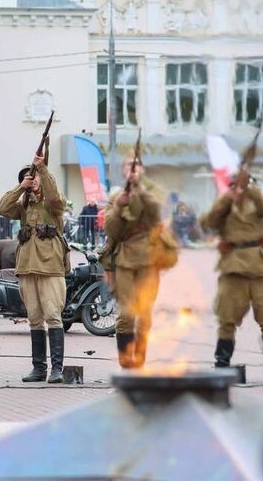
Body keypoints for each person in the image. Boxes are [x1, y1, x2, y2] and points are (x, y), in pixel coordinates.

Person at [199, 177, 263, 382]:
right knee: (227, 319)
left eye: (244, 185)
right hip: (234, 267)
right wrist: (226, 199)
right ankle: (222, 366)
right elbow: (208, 222)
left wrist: (251, 189)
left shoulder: (257, 203)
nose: (239, 189)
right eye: (235, 185)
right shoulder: (224, 205)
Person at [0, 153, 68, 383]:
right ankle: (39, 368)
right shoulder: (24, 204)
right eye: (29, 176)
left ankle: (56, 369)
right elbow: (3, 208)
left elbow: (57, 199)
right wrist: (21, 187)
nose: (33, 179)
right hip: (27, 266)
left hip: (50, 266)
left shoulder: (52, 202)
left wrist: (43, 169)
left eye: (34, 176)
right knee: (35, 317)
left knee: (53, 316)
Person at [103, 156, 165, 369]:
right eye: (129, 165)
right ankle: (126, 363)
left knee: (145, 314)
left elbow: (157, 218)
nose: (133, 169)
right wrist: (120, 206)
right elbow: (111, 229)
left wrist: (140, 193)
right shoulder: (115, 197)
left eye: (137, 165)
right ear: (123, 170)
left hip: (149, 261)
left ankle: (140, 360)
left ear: (143, 170)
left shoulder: (152, 194)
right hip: (125, 260)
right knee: (127, 315)